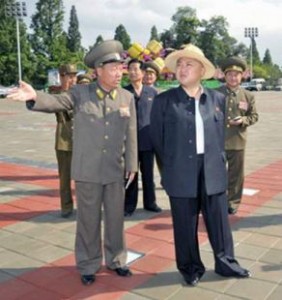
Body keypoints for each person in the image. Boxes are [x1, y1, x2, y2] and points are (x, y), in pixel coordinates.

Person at [7, 40, 138, 286]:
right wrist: (35, 96)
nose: (119, 72)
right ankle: (88, 264)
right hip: (87, 170)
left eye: (121, 68)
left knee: (115, 219)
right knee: (88, 221)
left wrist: (132, 164)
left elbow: (131, 133)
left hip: (114, 169)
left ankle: (117, 260)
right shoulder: (80, 94)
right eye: (114, 68)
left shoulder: (126, 97)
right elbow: (58, 102)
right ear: (98, 70)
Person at [150, 44, 251, 287]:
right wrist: (172, 169)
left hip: (212, 169)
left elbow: (218, 136)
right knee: (185, 223)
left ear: (201, 70)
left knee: (218, 220)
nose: (182, 69)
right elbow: (158, 140)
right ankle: (190, 267)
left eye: (189, 64)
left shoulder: (217, 98)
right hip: (181, 171)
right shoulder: (164, 101)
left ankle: (226, 263)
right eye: (180, 65)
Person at [217, 57, 258, 215]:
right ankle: (216, 200)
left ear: (242, 76)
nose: (233, 78)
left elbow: (254, 116)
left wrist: (243, 120)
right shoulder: (216, 93)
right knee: (216, 173)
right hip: (217, 141)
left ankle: (233, 202)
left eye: (236, 75)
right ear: (224, 76)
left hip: (237, 141)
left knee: (236, 174)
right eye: (230, 74)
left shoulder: (248, 96)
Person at [124, 58, 161, 216]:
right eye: (130, 69)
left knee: (148, 174)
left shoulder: (152, 93)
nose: (133, 72)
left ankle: (150, 203)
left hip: (147, 141)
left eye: (136, 69)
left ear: (143, 72)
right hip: (129, 142)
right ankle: (129, 206)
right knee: (130, 174)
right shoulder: (123, 93)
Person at [53, 64, 77, 218]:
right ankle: (66, 207)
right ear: (61, 76)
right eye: (69, 76)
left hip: (82, 141)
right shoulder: (57, 94)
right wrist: (64, 89)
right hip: (64, 141)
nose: (72, 79)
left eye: (74, 76)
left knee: (84, 178)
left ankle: (86, 205)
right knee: (65, 178)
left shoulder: (80, 93)